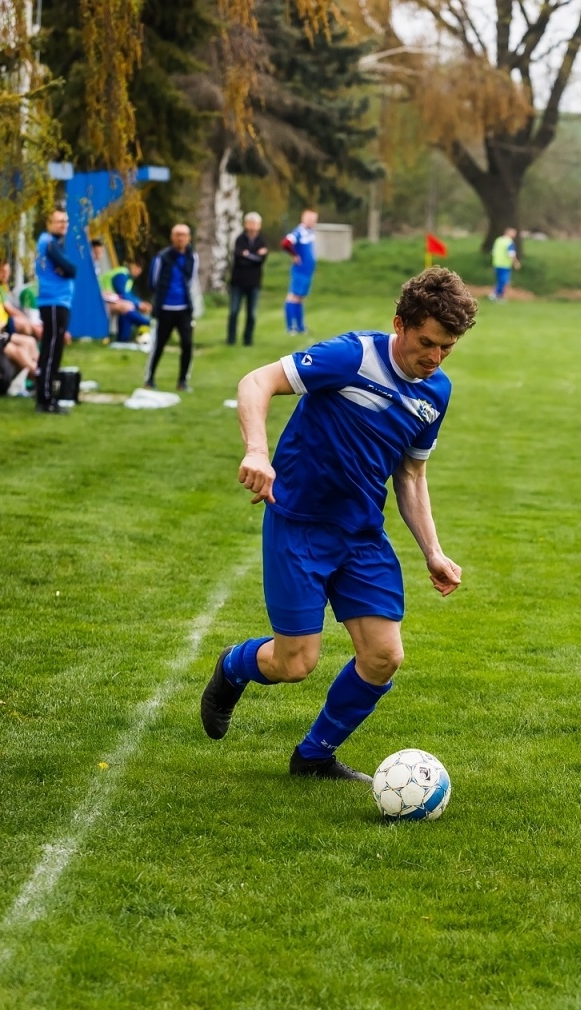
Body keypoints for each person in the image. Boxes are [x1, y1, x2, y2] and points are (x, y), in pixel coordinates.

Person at [199, 268, 476, 781]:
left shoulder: (434, 393)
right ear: (399, 324)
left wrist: (433, 551)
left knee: (383, 656)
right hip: (300, 525)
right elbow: (257, 381)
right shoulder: (352, 357)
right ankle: (235, 665)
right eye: (426, 342)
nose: (434, 358)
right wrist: (258, 452)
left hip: (362, 535)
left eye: (447, 349)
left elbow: (411, 474)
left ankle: (314, 756)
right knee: (294, 663)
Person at [146, 224, 198, 391]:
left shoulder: (193, 257)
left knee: (188, 344)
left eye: (184, 235)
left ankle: (182, 381)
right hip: (165, 308)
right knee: (159, 344)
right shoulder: (162, 257)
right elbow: (153, 282)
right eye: (177, 235)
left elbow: (191, 280)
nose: (181, 238)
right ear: (172, 237)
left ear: (189, 238)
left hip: (184, 309)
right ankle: (150, 378)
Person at [33, 208, 76, 415]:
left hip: (59, 302)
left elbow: (68, 268)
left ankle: (48, 395)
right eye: (59, 221)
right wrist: (66, 269)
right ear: (49, 223)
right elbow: (71, 269)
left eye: (65, 221)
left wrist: (66, 269)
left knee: (53, 349)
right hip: (53, 301)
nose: (63, 225)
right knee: (51, 350)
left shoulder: (54, 243)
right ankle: (46, 399)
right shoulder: (48, 242)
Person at [227, 212, 268, 346]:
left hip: (254, 282)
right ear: (246, 224)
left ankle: (248, 339)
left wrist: (248, 255)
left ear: (259, 226)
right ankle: (231, 339)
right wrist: (254, 256)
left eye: (255, 223)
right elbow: (239, 258)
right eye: (250, 223)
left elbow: (261, 260)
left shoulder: (262, 240)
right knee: (234, 311)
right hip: (238, 282)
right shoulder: (240, 239)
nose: (252, 226)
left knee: (252, 314)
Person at [279, 209, 317, 335]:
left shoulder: (309, 232)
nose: (312, 222)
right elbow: (286, 243)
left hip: (307, 271)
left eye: (314, 219)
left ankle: (300, 326)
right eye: (310, 219)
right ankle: (291, 327)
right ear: (303, 218)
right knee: (293, 296)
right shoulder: (299, 232)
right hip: (300, 270)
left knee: (300, 298)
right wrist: (294, 255)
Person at [105, 261, 151, 344]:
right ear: (132, 265)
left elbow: (129, 295)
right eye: (137, 268)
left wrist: (139, 303)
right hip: (103, 300)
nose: (138, 272)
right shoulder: (121, 274)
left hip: (112, 301)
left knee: (127, 310)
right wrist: (138, 304)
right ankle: (146, 322)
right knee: (127, 307)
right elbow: (122, 293)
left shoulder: (129, 279)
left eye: (139, 270)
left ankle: (123, 339)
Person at [490, 227, 521, 301]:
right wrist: (516, 263)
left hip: (496, 263)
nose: (515, 235)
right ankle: (496, 294)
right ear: (508, 232)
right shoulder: (509, 242)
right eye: (513, 233)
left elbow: (493, 252)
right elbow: (511, 254)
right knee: (503, 281)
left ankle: (497, 295)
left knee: (499, 280)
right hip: (505, 265)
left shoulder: (498, 240)